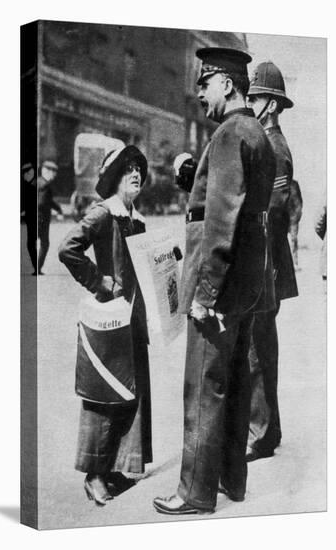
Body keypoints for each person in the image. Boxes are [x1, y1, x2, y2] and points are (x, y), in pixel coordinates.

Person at [153, 47, 276, 515]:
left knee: (203, 386)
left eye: (204, 84)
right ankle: (231, 481)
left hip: (218, 286)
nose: (200, 94)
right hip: (246, 285)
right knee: (237, 383)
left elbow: (222, 219)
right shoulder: (258, 135)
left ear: (226, 83)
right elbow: (246, 212)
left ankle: (193, 492)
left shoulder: (228, 133)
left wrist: (204, 293)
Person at [58, 145, 152, 506]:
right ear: (114, 177)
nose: (135, 175)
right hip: (109, 319)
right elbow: (69, 249)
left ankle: (113, 468)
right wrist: (101, 283)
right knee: (103, 395)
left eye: (139, 170)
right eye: (128, 169)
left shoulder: (137, 219)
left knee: (129, 393)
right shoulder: (103, 214)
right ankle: (94, 475)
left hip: (134, 321)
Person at [246, 61, 298, 461]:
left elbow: (273, 213)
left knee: (257, 347)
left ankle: (260, 433)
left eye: (257, 97)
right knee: (263, 344)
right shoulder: (266, 141)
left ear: (273, 106)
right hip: (267, 263)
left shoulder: (273, 147)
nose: (251, 101)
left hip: (265, 263)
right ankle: (270, 429)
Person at [38, 159, 63, 275]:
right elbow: (43, 202)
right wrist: (57, 210)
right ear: (45, 171)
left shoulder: (37, 181)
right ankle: (37, 268)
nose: (54, 175)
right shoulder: (45, 185)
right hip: (41, 219)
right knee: (44, 244)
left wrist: (58, 209)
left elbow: (47, 201)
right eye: (52, 172)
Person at [21, 162, 37, 273]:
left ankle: (36, 268)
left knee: (31, 243)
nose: (24, 176)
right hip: (31, 218)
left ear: (30, 172)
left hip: (34, 218)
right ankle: (36, 268)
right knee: (31, 243)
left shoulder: (33, 186)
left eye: (25, 174)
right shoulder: (29, 185)